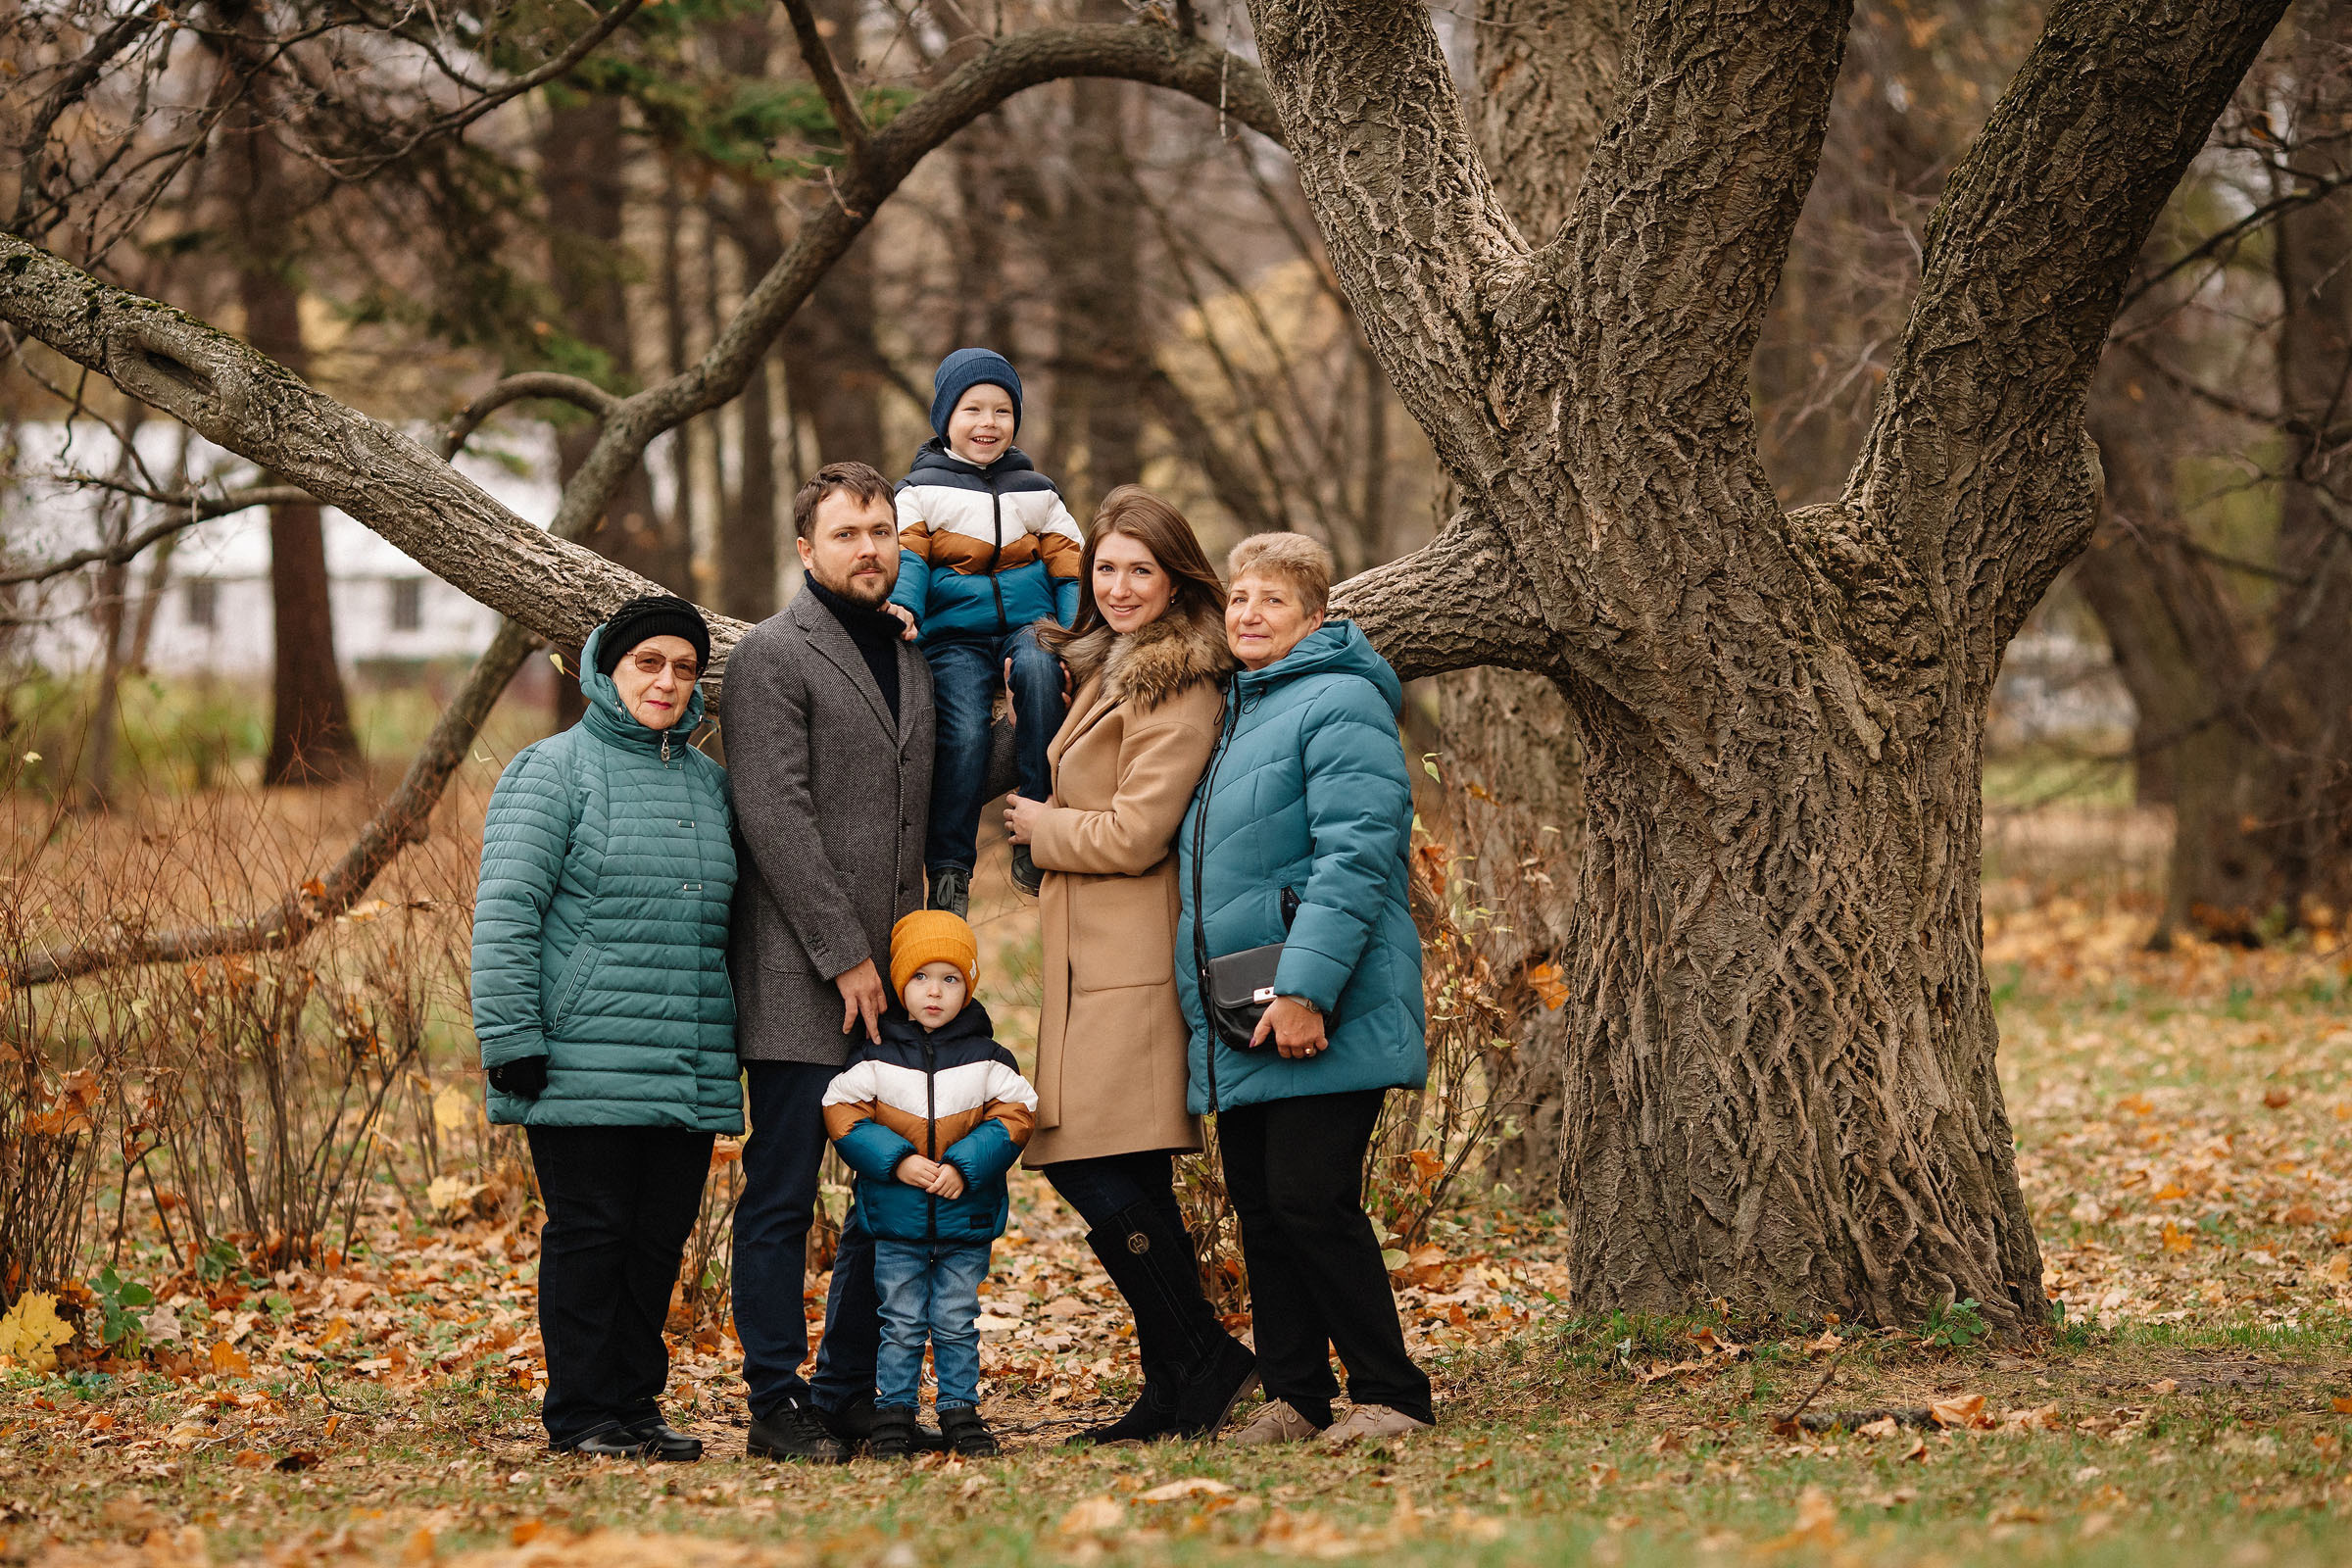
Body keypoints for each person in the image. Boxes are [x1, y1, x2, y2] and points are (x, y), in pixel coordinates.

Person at [1003, 487, 1256, 1444]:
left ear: (1176, 579)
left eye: (1139, 570)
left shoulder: (1177, 681)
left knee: (1089, 1156)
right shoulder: (1111, 668)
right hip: (1094, 955)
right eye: (1104, 568)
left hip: (1136, 955)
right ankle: (1175, 1385)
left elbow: (1139, 830)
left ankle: (1205, 1355)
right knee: (1132, 1173)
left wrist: (1043, 827)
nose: (1117, 586)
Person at [1175, 533, 1435, 1447]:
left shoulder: (1340, 701)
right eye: (1240, 597)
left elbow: (1357, 855)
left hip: (1322, 1000)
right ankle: (1297, 1396)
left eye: (1273, 600)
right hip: (1245, 1003)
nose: (1249, 614)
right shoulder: (1242, 706)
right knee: (1262, 1202)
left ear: (1317, 617)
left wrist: (1307, 990)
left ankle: (1393, 1393)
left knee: (1310, 1198)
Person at [471, 594, 739, 1462]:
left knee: (657, 1241)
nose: (667, 681)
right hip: (579, 1056)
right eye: (648, 663)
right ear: (606, 669)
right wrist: (511, 1037)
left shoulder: (709, 784)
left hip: (686, 1055)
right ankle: (583, 1412)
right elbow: (506, 912)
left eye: (684, 668)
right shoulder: (552, 771)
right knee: (592, 1236)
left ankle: (633, 1404)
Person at [723, 462, 935, 1463]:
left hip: (898, 976)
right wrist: (845, 955)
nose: (869, 549)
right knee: (782, 1192)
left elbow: (924, 791)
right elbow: (775, 815)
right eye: (847, 533)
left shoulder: (909, 653)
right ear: (807, 549)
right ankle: (774, 1401)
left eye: (881, 531)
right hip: (799, 977)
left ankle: (845, 1389)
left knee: (887, 1192)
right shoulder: (771, 654)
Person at [820, 910, 1038, 1459]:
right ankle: (893, 1414)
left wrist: (964, 1166)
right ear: (900, 985)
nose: (934, 991)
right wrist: (896, 1161)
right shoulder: (875, 1056)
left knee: (956, 1321)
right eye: (920, 977)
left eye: (950, 979)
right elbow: (841, 1109)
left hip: (965, 1221)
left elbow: (1017, 1113)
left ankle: (959, 1411)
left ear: (969, 986)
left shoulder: (989, 1059)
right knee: (899, 1322)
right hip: (896, 1220)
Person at [886, 347, 1085, 914]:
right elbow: (910, 556)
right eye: (972, 409)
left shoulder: (1038, 490)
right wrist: (905, 606)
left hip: (1030, 626)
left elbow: (1071, 563)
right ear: (945, 416)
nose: (988, 423)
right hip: (955, 638)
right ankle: (950, 866)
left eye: (1002, 411)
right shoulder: (919, 490)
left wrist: (1073, 631)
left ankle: (1035, 821)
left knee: (1043, 674)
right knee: (964, 732)